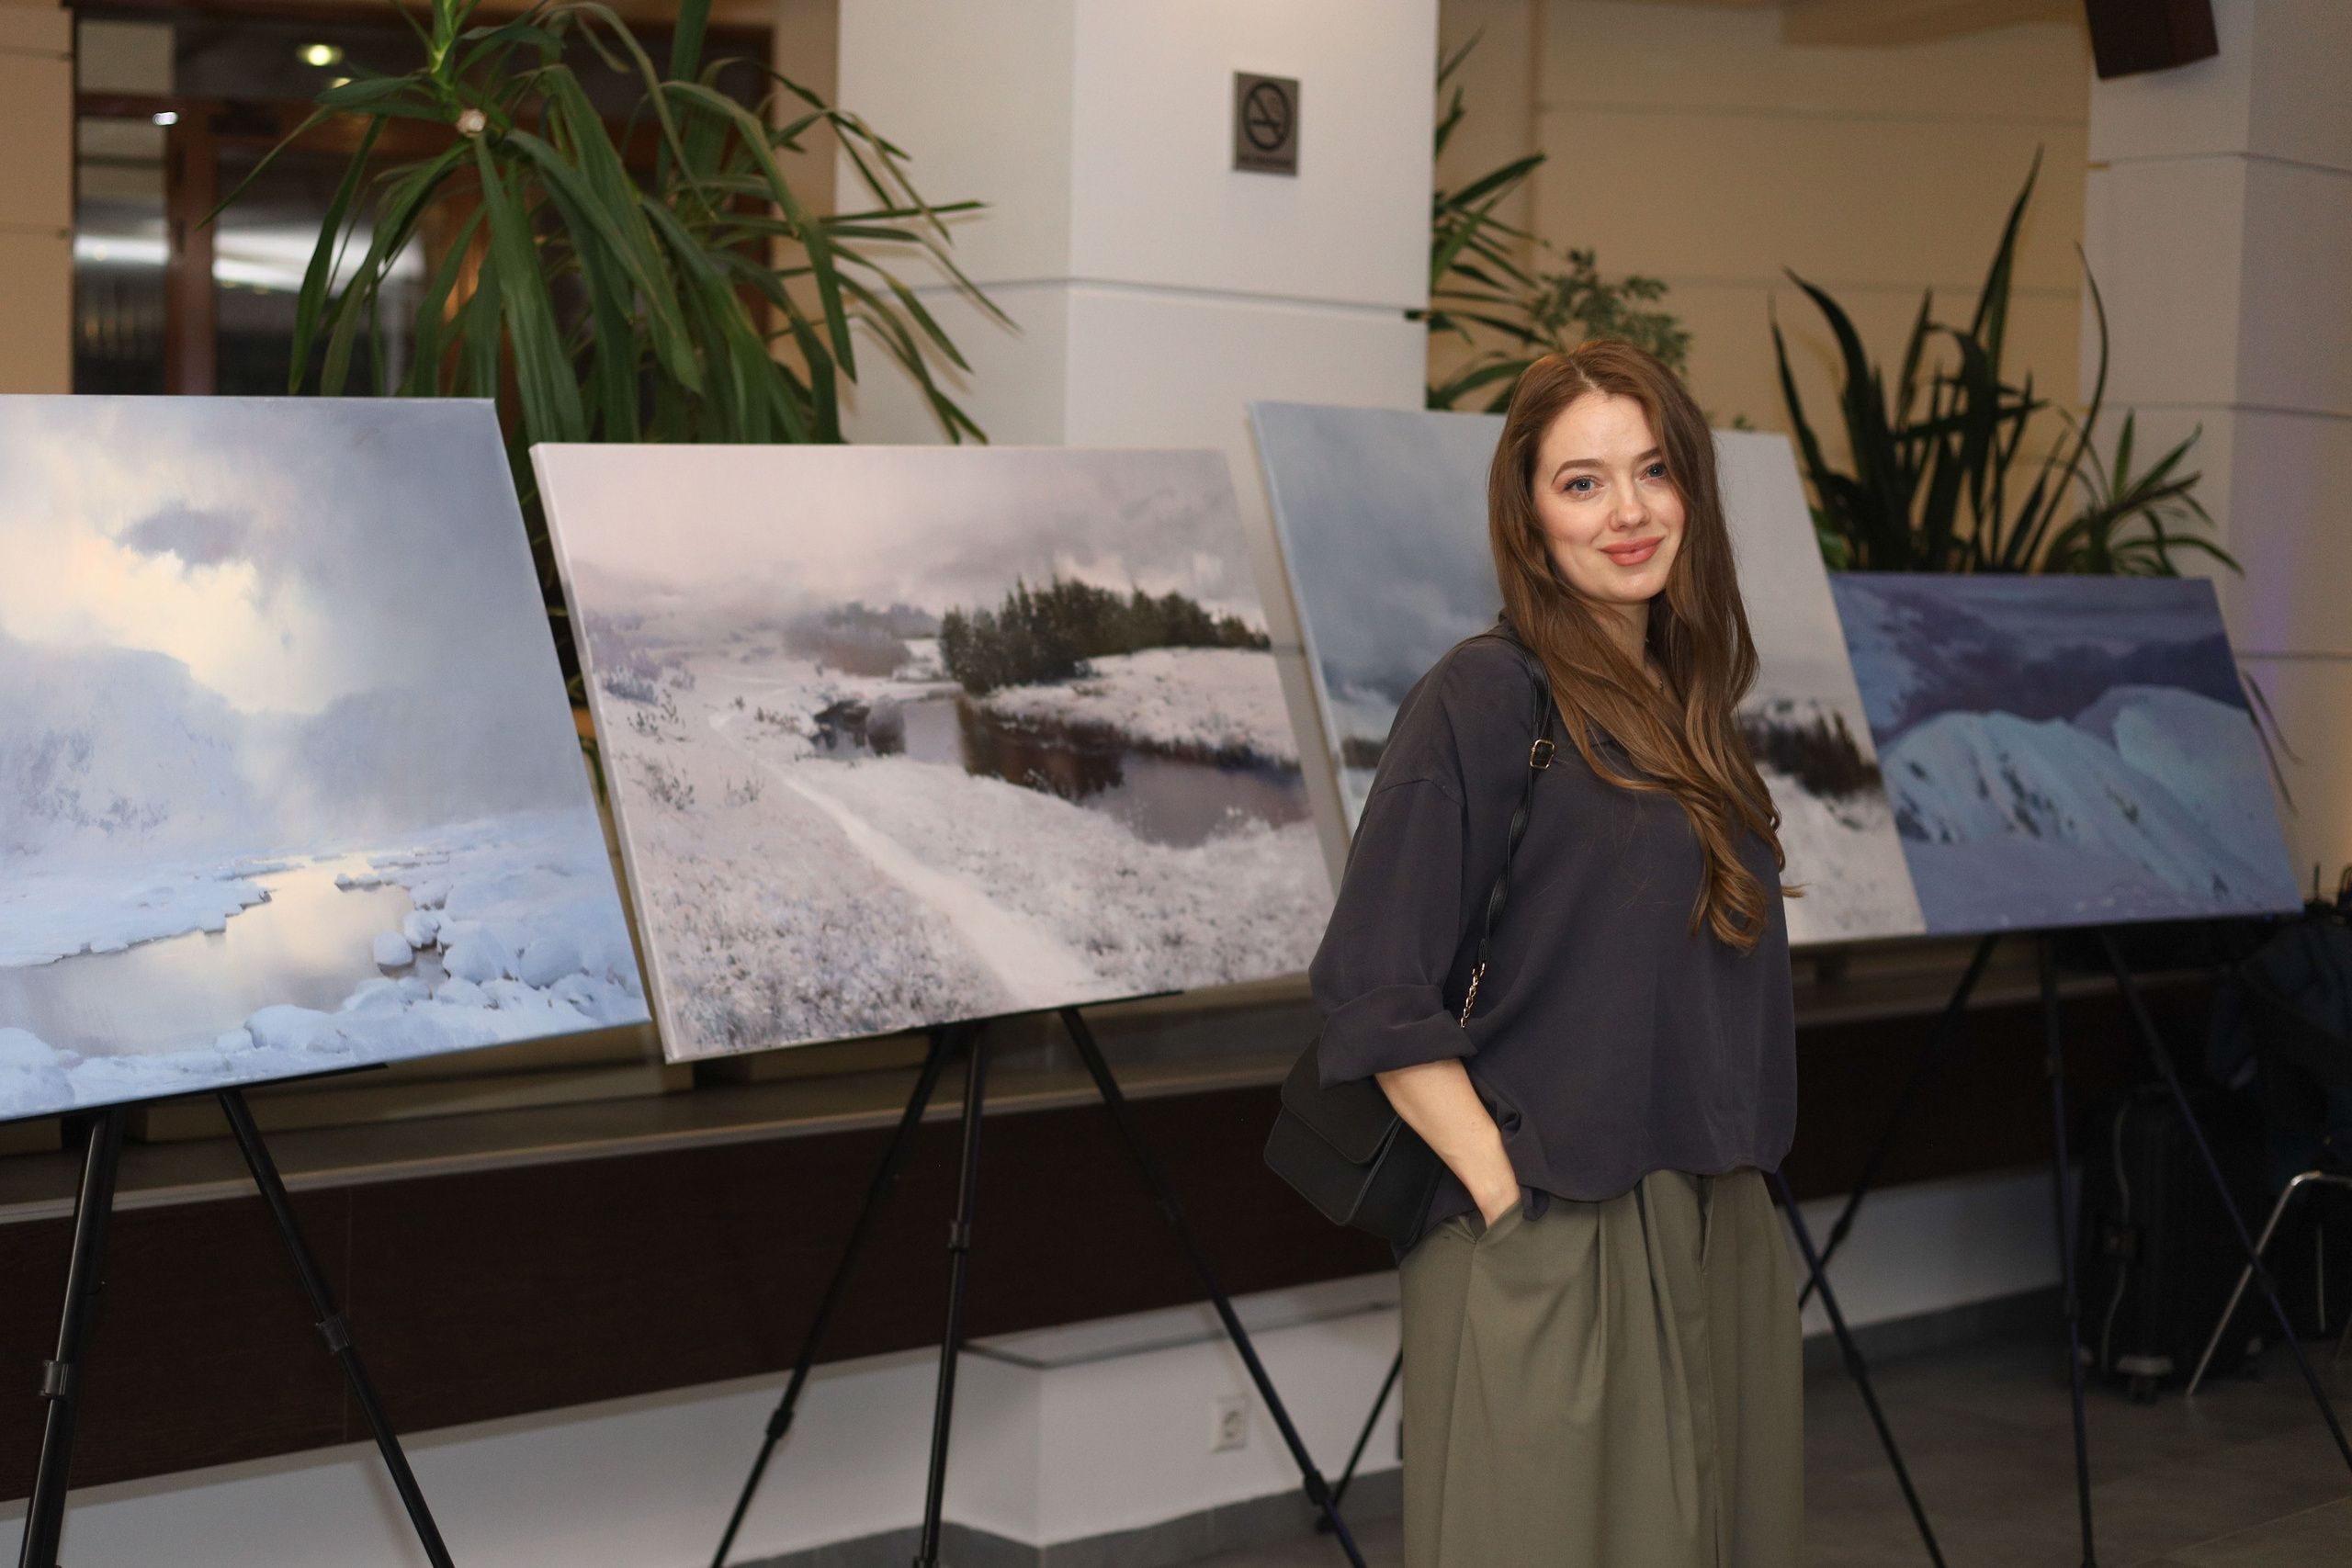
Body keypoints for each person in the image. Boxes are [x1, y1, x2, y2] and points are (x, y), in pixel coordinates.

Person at [1308, 340, 1803, 1568]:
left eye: (1651, 472)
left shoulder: (1691, 705)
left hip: (1712, 1211)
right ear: (1528, 517)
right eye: (1582, 482)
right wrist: (1500, 1190)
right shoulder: (1483, 700)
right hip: (1552, 1226)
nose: (1627, 512)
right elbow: (1373, 987)